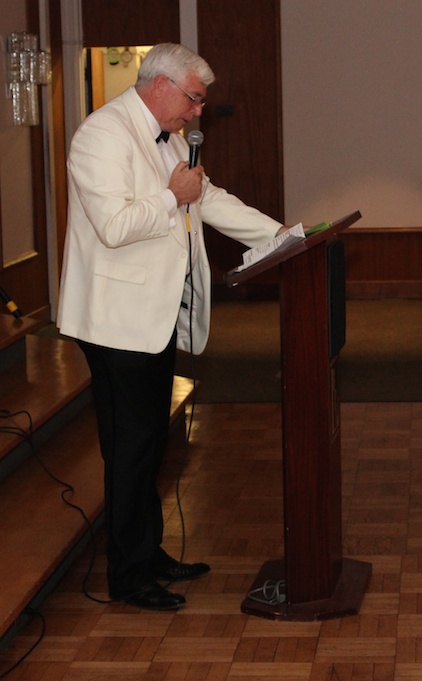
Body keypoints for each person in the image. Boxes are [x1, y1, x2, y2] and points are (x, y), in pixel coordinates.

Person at [57, 43, 288, 611]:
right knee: (130, 447)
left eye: (200, 103)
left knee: (148, 443)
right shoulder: (100, 135)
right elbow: (114, 226)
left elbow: (207, 199)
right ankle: (128, 575)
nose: (197, 113)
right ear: (159, 85)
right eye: (193, 100)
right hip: (117, 320)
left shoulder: (167, 136)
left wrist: (282, 236)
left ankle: (148, 553)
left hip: (154, 317)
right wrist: (170, 196)